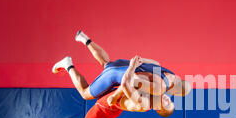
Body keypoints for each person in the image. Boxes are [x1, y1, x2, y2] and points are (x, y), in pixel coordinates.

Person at [52, 31, 191, 102]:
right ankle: (68, 65)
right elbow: (132, 81)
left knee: (107, 63)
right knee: (85, 93)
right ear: (175, 92)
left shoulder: (168, 73)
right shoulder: (161, 88)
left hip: (125, 63)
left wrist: (134, 63)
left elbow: (153, 63)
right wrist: (121, 96)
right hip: (118, 74)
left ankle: (84, 39)